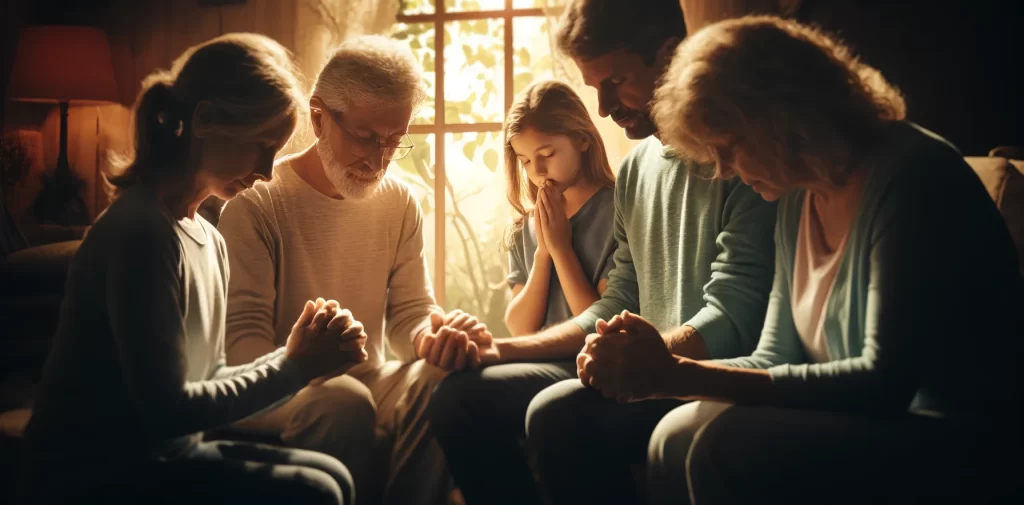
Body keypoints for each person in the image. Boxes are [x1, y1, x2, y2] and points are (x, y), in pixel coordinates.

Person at [577, 15, 1023, 504]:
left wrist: (676, 373)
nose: (722, 170)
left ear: (785, 116)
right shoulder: (795, 195)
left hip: (954, 434)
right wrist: (662, 370)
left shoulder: (913, 176)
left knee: (722, 447)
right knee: (672, 435)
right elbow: (773, 357)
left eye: (730, 147)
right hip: (871, 420)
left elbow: (883, 383)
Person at [428, 0, 777, 505]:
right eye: (595, 88)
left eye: (615, 82)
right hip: (644, 371)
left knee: (558, 416)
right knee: (459, 397)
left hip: (705, 374)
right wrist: (498, 349)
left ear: (668, 54)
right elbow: (614, 304)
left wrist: (649, 362)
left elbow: (736, 315)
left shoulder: (744, 160)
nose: (606, 106)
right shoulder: (637, 168)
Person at [17, 33, 367, 505]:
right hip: (90, 469)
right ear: (203, 120)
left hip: (162, 455)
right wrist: (293, 367)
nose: (267, 170)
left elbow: (210, 375)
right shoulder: (142, 233)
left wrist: (301, 359)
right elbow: (167, 410)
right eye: (261, 145)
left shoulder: (210, 239)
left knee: (334, 476)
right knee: (318, 491)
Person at [218, 35, 483, 505]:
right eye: (366, 137)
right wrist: (306, 363)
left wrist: (433, 337)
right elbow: (244, 350)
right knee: (344, 401)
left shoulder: (400, 202)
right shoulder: (257, 203)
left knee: (447, 381)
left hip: (365, 381)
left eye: (394, 141)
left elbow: (410, 315)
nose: (380, 160)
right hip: (277, 386)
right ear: (319, 117)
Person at [502, 79, 617, 336]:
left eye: (547, 155)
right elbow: (520, 329)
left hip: (593, 358)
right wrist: (543, 253)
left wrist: (560, 248)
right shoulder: (524, 227)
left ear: (581, 140)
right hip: (538, 359)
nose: (538, 171)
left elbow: (601, 327)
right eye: (526, 161)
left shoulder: (617, 213)